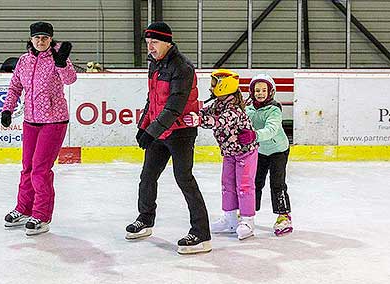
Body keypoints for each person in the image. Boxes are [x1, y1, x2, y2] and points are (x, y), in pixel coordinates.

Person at [125, 21, 211, 254]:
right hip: (159, 130)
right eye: (147, 43)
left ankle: (202, 234)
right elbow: (151, 101)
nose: (150, 47)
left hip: (180, 132)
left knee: (184, 179)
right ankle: (145, 219)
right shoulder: (155, 65)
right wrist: (144, 127)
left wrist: (151, 130)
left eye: (154, 43)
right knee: (147, 176)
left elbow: (174, 108)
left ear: (167, 42)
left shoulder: (181, 67)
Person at [1, 21, 77, 236]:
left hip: (54, 121)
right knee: (27, 168)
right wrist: (7, 109)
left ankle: (41, 215)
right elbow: (15, 86)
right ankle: (23, 209)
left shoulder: (58, 58)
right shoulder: (24, 61)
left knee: (40, 169)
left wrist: (62, 63)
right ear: (31, 39)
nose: (41, 41)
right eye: (37, 38)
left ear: (51, 39)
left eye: (45, 38)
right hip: (30, 120)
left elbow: (70, 79)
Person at [183, 69, 259, 240]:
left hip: (245, 153)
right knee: (227, 184)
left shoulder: (234, 109)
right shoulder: (218, 103)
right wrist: (196, 115)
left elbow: (220, 121)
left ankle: (247, 221)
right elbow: (206, 112)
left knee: (244, 186)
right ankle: (230, 219)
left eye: (213, 84)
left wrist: (200, 121)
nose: (211, 88)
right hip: (229, 152)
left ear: (223, 87)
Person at [240, 74, 293, 236]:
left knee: (277, 183)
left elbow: (271, 129)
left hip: (278, 150)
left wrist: (253, 135)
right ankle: (248, 214)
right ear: (252, 92)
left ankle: (284, 215)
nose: (260, 93)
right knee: (254, 181)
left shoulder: (274, 109)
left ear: (271, 91)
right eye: (257, 90)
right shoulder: (248, 109)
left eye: (264, 90)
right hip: (260, 150)